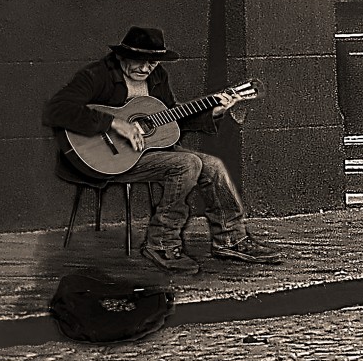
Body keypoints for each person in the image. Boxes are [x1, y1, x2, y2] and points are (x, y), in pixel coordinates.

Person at [44, 25, 281, 274]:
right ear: (123, 55)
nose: (145, 69)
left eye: (152, 63)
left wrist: (215, 111)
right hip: (102, 158)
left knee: (212, 165)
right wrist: (114, 123)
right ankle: (161, 244)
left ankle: (231, 240)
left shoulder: (157, 77)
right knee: (187, 164)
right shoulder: (97, 75)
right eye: (139, 62)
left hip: (147, 154)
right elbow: (56, 109)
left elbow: (169, 119)